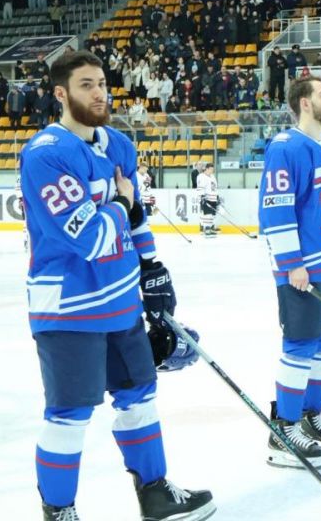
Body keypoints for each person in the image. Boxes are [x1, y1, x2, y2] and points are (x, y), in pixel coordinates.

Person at [19, 50, 213, 521]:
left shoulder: (118, 145)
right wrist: (121, 203)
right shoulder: (46, 155)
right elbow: (89, 237)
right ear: (61, 93)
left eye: (102, 83)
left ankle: (155, 494)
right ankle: (59, 511)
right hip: (68, 308)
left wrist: (151, 267)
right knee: (70, 415)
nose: (99, 93)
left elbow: (136, 215)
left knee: (140, 397)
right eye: (86, 85)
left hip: (122, 302)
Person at [257, 75, 321, 465]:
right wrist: (292, 264)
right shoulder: (286, 148)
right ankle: (284, 427)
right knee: (299, 344)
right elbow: (276, 210)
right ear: (304, 103)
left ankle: (312, 416)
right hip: (301, 269)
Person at [195, 165, 219, 237]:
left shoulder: (212, 176)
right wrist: (202, 197)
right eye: (211, 169)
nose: (212, 171)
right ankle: (206, 229)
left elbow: (215, 187)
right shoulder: (201, 176)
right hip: (206, 198)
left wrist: (217, 196)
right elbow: (200, 188)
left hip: (213, 198)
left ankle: (210, 228)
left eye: (213, 169)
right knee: (207, 214)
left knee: (213, 214)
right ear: (207, 169)